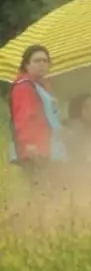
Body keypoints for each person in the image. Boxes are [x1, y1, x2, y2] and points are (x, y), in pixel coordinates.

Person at [6, 44, 69, 190]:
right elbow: (24, 117)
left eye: (45, 61)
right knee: (43, 193)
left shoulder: (38, 86)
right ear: (27, 64)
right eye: (37, 61)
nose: (42, 64)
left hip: (48, 148)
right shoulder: (24, 87)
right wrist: (29, 143)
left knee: (52, 191)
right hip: (35, 150)